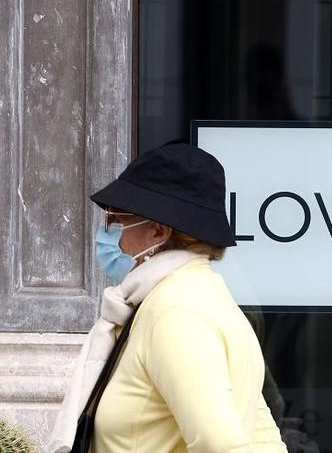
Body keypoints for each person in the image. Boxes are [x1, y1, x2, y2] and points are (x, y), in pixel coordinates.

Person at [49, 143, 285, 452]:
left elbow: (222, 445)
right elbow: (261, 436)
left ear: (158, 232)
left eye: (114, 220)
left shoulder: (174, 312)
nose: (105, 232)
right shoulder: (202, 297)